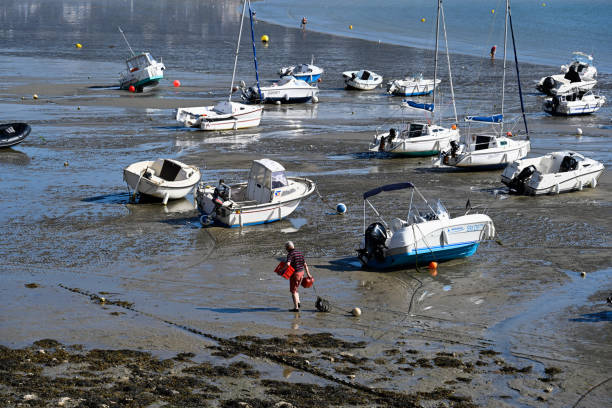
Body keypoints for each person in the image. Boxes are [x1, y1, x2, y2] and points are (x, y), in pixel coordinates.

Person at [283, 241, 312, 312]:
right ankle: (298, 302)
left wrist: (282, 269)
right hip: (301, 273)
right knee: (296, 289)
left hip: (295, 274)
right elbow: (305, 264)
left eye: (286, 248)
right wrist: (308, 274)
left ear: (288, 247)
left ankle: (296, 308)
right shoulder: (300, 253)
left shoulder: (290, 254)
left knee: (293, 291)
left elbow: (288, 264)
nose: (286, 249)